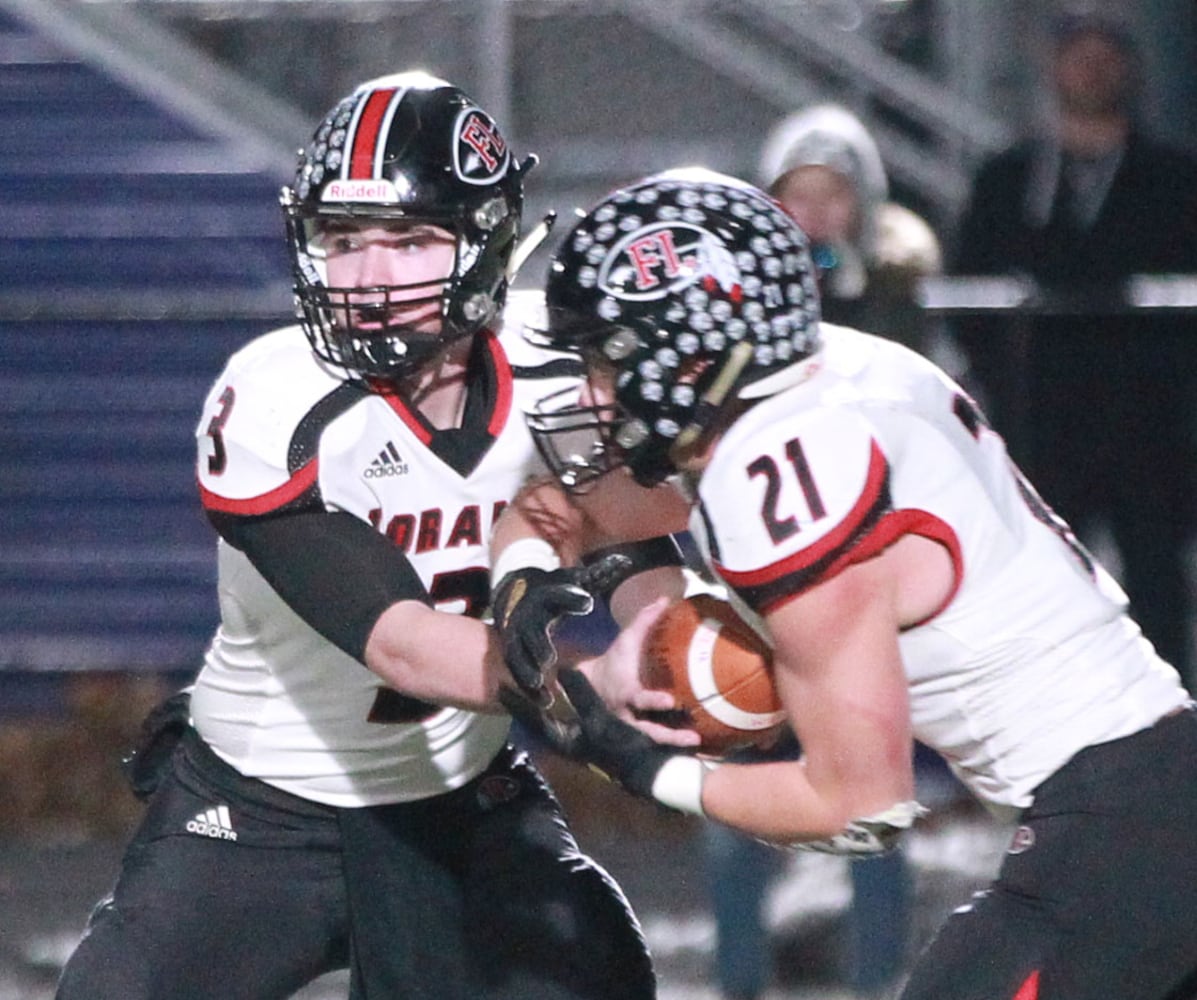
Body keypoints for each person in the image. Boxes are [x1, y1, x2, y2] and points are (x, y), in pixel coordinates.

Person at [492, 167, 1197, 1000]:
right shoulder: (830, 377)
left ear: (688, 354)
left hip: (1117, 831)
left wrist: (641, 766)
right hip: (1144, 797)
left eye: (605, 360)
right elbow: (569, 506)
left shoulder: (779, 468)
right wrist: (527, 584)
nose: (590, 394)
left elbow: (858, 808)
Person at [54, 72, 660, 1000]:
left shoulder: (554, 375)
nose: (370, 279)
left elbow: (627, 534)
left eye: (410, 240)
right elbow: (403, 643)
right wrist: (586, 698)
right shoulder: (274, 399)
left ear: (487, 243)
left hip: (460, 799)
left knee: (599, 976)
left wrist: (673, 640)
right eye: (343, 240)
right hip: (264, 809)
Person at [689, 103, 947, 1000]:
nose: (815, 216)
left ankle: (878, 983)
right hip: (754, 580)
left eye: (834, 194)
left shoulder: (892, 292)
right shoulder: (727, 309)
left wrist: (863, 285)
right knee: (732, 801)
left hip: (855, 581)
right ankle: (738, 983)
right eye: (798, 195)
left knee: (872, 799)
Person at [950, 11, 1197, 692]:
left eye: (1105, 55)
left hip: (1147, 424)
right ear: (1052, 68)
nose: (1090, 69)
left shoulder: (1173, 180)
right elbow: (972, 286)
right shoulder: (1008, 178)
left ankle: (1170, 729)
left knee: (1154, 583)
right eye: (1076, 54)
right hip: (1042, 418)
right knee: (1038, 575)